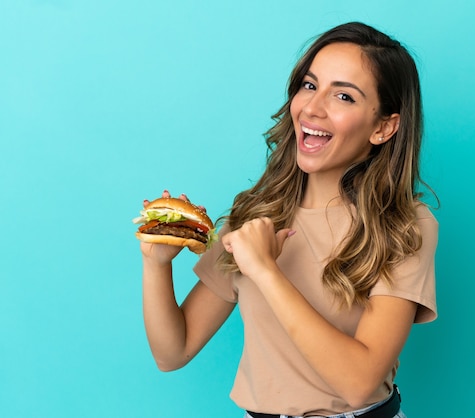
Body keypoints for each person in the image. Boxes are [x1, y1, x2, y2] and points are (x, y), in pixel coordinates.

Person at [140, 21, 438, 418]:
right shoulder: (254, 219)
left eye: (344, 96)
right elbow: (172, 352)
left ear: (383, 127)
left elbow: (359, 382)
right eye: (310, 86)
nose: (312, 108)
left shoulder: (404, 224)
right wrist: (156, 265)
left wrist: (266, 271)